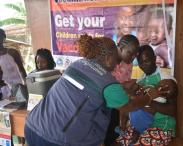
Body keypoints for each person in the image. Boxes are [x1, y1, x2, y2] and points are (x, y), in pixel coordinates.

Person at [24, 34, 159, 146]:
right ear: (107, 59)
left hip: (33, 126)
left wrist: (122, 87)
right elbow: (128, 106)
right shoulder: (107, 82)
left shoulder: (77, 64)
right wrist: (149, 97)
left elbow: (88, 89)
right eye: (114, 58)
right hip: (55, 139)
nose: (116, 63)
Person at [116, 79, 178, 146]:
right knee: (123, 141)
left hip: (161, 128)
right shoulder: (149, 88)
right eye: (164, 82)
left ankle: (139, 134)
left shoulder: (162, 100)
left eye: (168, 88)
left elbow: (144, 106)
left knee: (142, 141)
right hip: (141, 125)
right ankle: (137, 132)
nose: (164, 86)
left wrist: (141, 99)